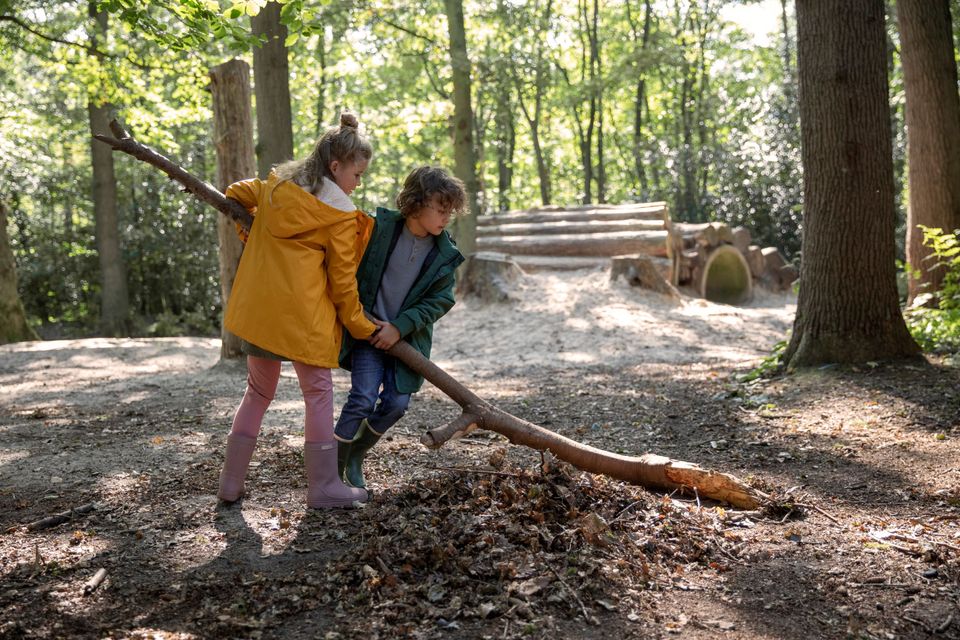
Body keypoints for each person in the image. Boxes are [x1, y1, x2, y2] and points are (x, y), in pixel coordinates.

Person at [217, 112, 384, 509]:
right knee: (319, 393)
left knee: (257, 392)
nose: (358, 183)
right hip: (303, 320)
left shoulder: (276, 187)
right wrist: (361, 326)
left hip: (260, 313)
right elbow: (343, 284)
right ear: (336, 166)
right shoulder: (339, 216)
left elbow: (236, 193)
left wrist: (253, 227)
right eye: (357, 175)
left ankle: (229, 484)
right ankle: (323, 485)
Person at [334, 166, 467, 490]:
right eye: (440, 209)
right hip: (367, 334)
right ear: (416, 203)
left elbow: (440, 301)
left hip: (408, 341)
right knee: (363, 399)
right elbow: (347, 266)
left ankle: (355, 455)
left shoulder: (444, 253)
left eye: (450, 211)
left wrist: (400, 326)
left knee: (396, 404)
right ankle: (330, 471)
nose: (446, 217)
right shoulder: (378, 228)